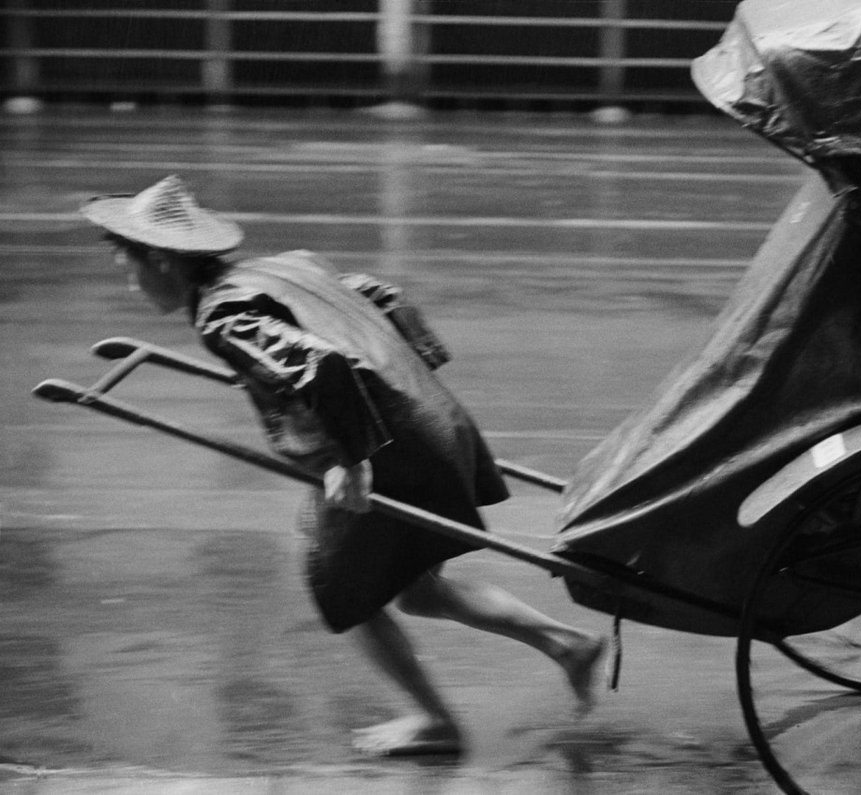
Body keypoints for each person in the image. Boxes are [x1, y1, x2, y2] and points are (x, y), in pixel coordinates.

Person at [81, 175, 605, 756]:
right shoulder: (287, 266)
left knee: (343, 590)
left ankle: (436, 722)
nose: (132, 285)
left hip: (387, 453)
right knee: (416, 591)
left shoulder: (224, 318)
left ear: (161, 259)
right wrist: (415, 374)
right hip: (432, 425)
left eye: (130, 267)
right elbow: (383, 295)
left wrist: (354, 463)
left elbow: (320, 365)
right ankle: (567, 645)